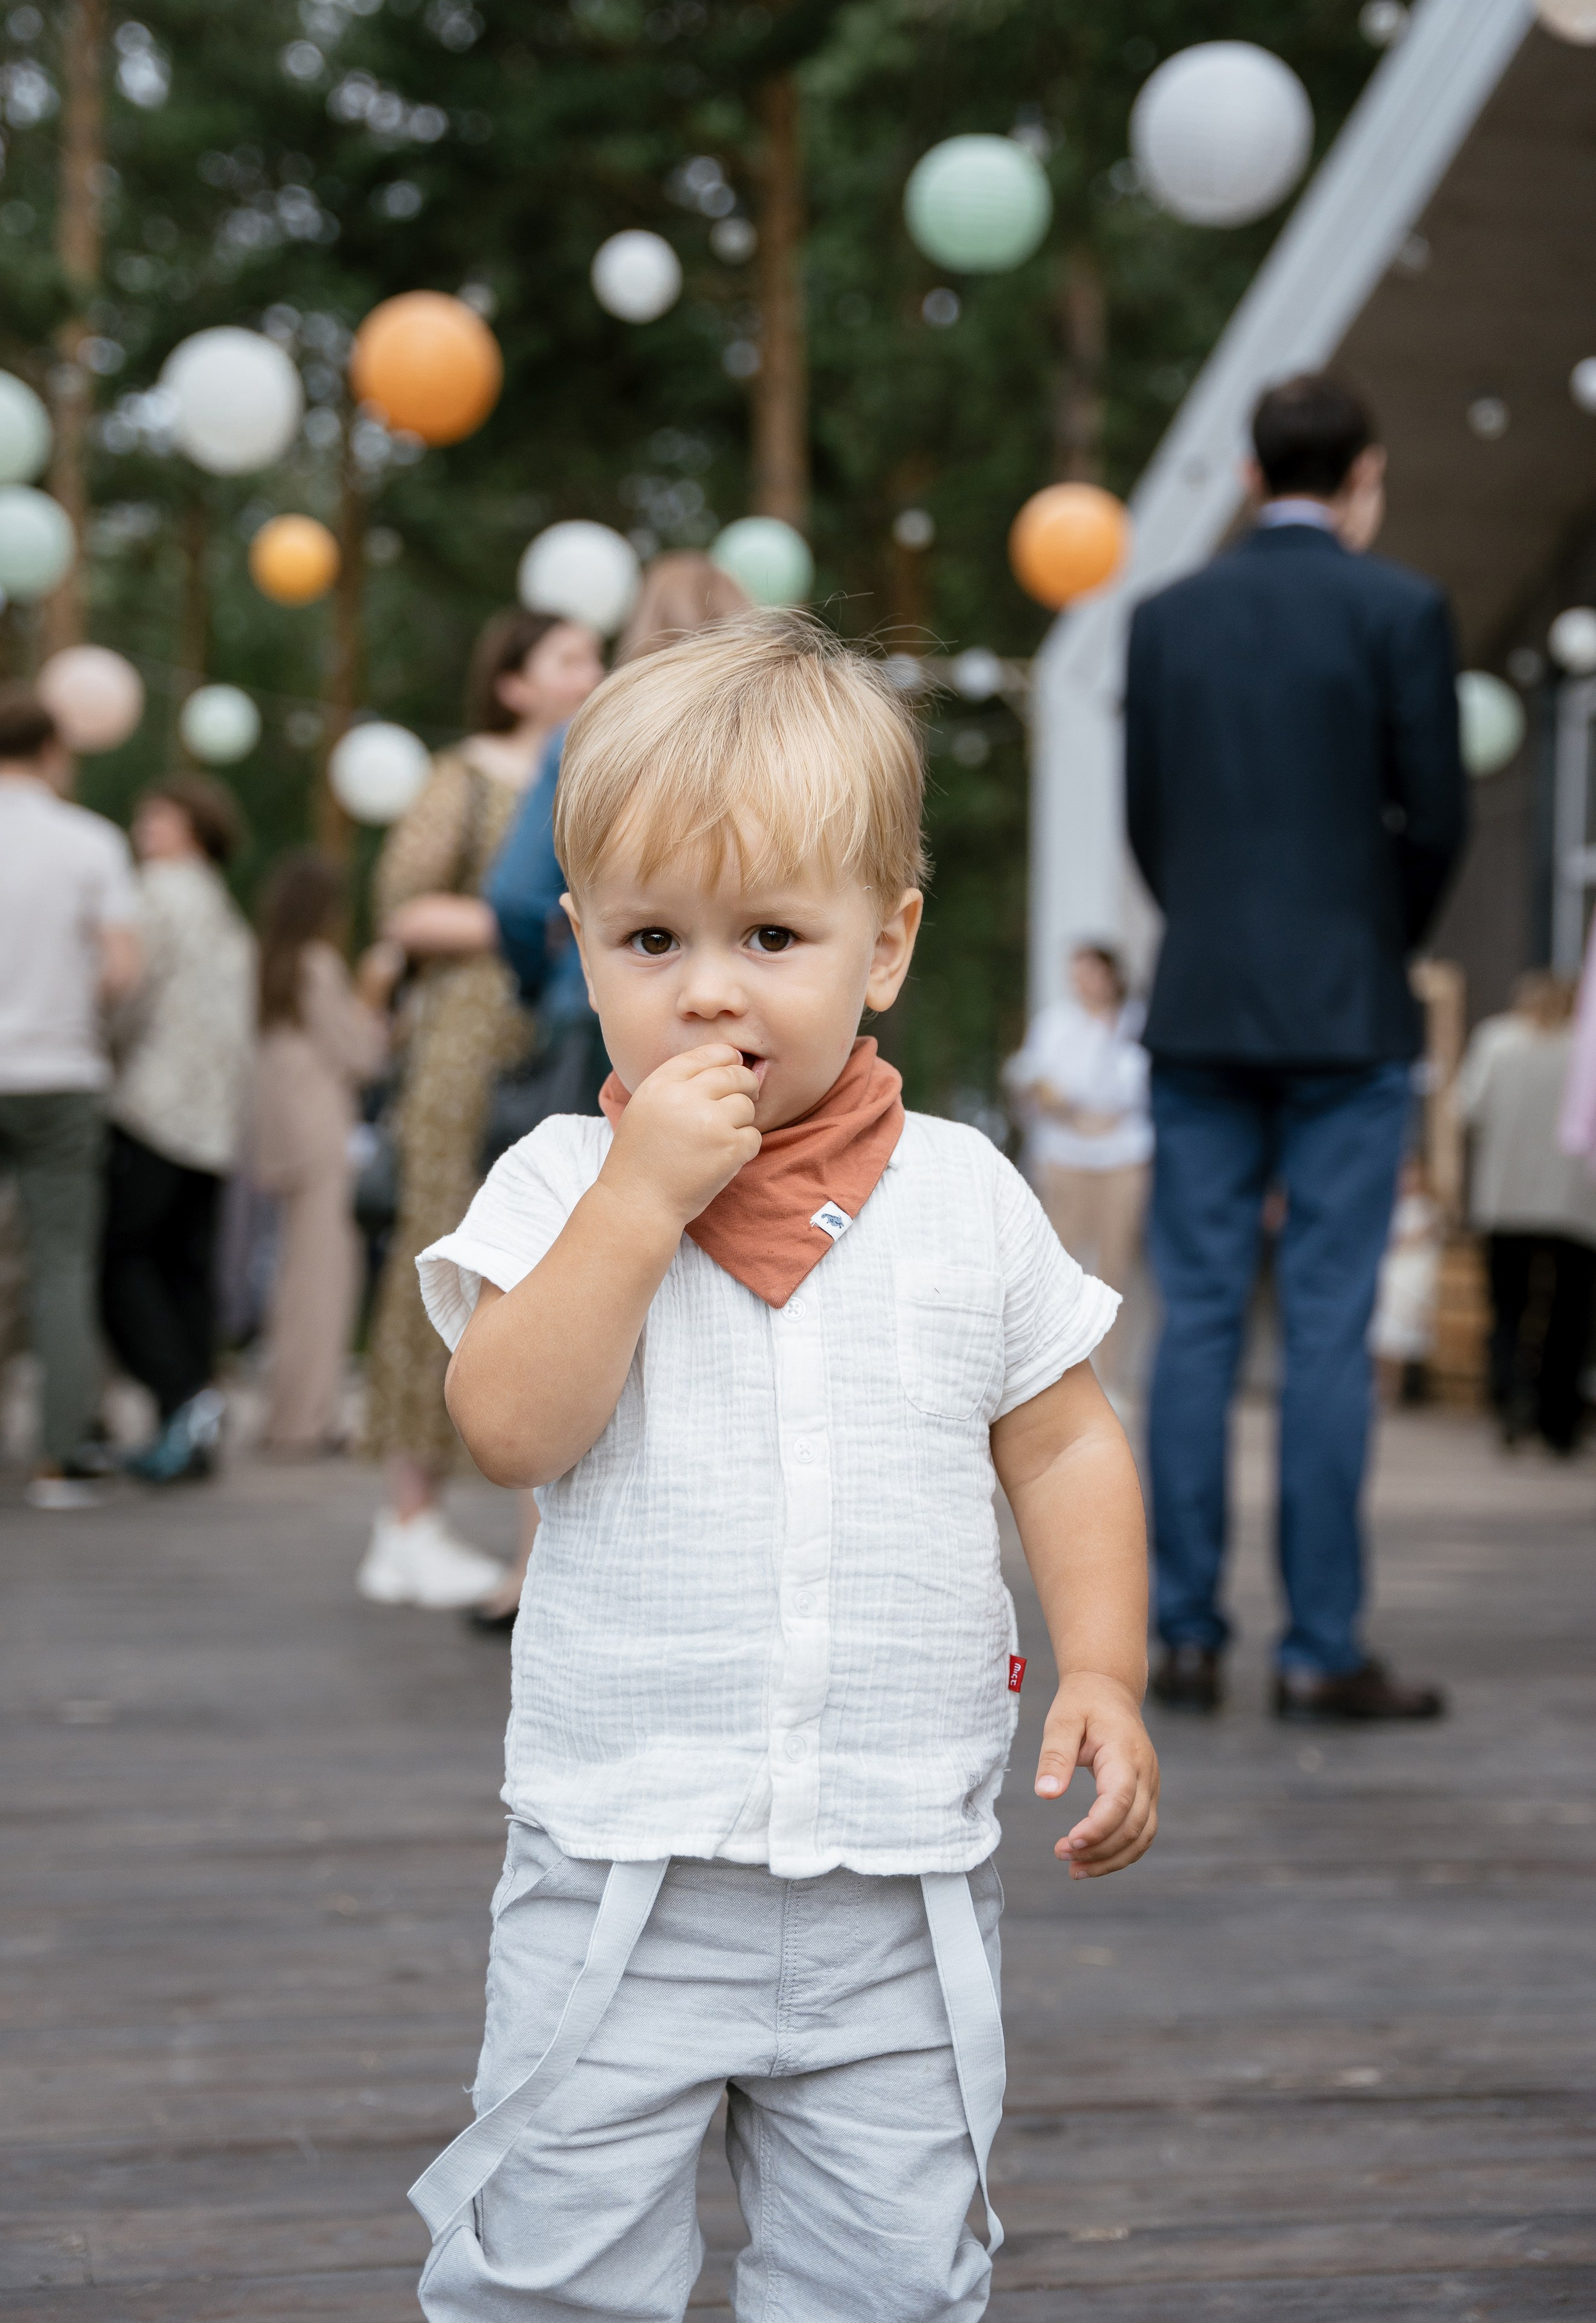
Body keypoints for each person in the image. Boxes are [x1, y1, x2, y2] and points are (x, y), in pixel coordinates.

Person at [405, 616, 1158, 2319]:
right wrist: (637, 1205)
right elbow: (515, 1426)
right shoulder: (558, 1183)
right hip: (621, 1875)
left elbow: (1062, 1439)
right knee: (553, 2278)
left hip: (897, 1883)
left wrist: (1104, 1663)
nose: (711, 988)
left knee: (891, 2285)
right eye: (652, 936)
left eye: (772, 935)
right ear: (577, 943)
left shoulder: (965, 1193)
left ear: (885, 946)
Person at [1125, 371, 1467, 1722]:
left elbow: (1148, 822)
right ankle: (1320, 1649)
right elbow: (1436, 818)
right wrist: (1371, 940)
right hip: (1345, 1012)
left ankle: (1185, 1636)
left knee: (1195, 1320)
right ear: (1362, 477)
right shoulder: (1401, 610)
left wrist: (1210, 929)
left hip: (1200, 1002)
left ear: (1252, 478)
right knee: (1326, 1328)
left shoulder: (1165, 619)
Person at [356, 608, 603, 1611]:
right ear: (514, 683)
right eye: (571, 659)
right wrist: (541, 922)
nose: (593, 670)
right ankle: (407, 1514)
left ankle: (528, 1539)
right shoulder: (466, 777)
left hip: (551, 1038)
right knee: (444, 1248)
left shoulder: (599, 764)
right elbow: (403, 906)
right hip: (468, 1036)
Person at [0, 685, 140, 1509]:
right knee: (61, 1262)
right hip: (56, 1074)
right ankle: (62, 1458)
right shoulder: (87, 842)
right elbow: (123, 965)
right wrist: (71, 1006)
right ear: (54, 751)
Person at [486, 549, 750, 1019]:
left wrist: (549, 983)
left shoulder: (584, 738)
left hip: (606, 1010)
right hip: (756, 1003)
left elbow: (516, 898)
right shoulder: (785, 745)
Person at [101, 773, 256, 1486]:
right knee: (187, 1273)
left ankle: (177, 1400)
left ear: (190, 826)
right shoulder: (226, 910)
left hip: (153, 1106)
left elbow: (126, 990)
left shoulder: (155, 893)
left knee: (123, 1264)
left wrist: (100, 1051)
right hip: (215, 1121)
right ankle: (193, 1425)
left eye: (155, 816)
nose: (143, 830)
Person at [250, 851, 397, 1453]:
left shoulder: (272, 965)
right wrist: (375, 993)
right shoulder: (318, 964)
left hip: (281, 1133)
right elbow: (362, 1055)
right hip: (320, 1136)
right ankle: (307, 1420)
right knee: (323, 1280)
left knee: (292, 1279)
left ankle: (289, 1412)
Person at [1457, 970, 1596, 1453]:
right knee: (1568, 1313)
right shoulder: (1584, 1050)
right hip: (1574, 1204)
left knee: (1508, 1308)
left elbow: (1469, 1106)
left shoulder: (1496, 1041)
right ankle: (1559, 1422)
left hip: (1506, 1199)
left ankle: (1509, 1399)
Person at [1003, 941, 1151, 1395]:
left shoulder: (1137, 1023)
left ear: (1111, 975)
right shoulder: (1055, 1024)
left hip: (1124, 1160)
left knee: (1116, 1267)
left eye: (1090, 972)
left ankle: (1112, 1379)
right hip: (1065, 1159)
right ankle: (1059, 1378)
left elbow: (1146, 1089)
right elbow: (1032, 1084)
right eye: (1076, 973)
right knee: (1062, 1266)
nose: (1082, 982)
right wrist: (1070, 1112)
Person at [1368, 1152, 1443, 1404]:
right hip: (1391, 1275)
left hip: (1410, 1277)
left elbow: (1414, 1238)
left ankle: (1395, 1391)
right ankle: (1379, 1387)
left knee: (1399, 1335)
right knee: (1382, 1332)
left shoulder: (1426, 1209)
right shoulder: (1390, 1206)